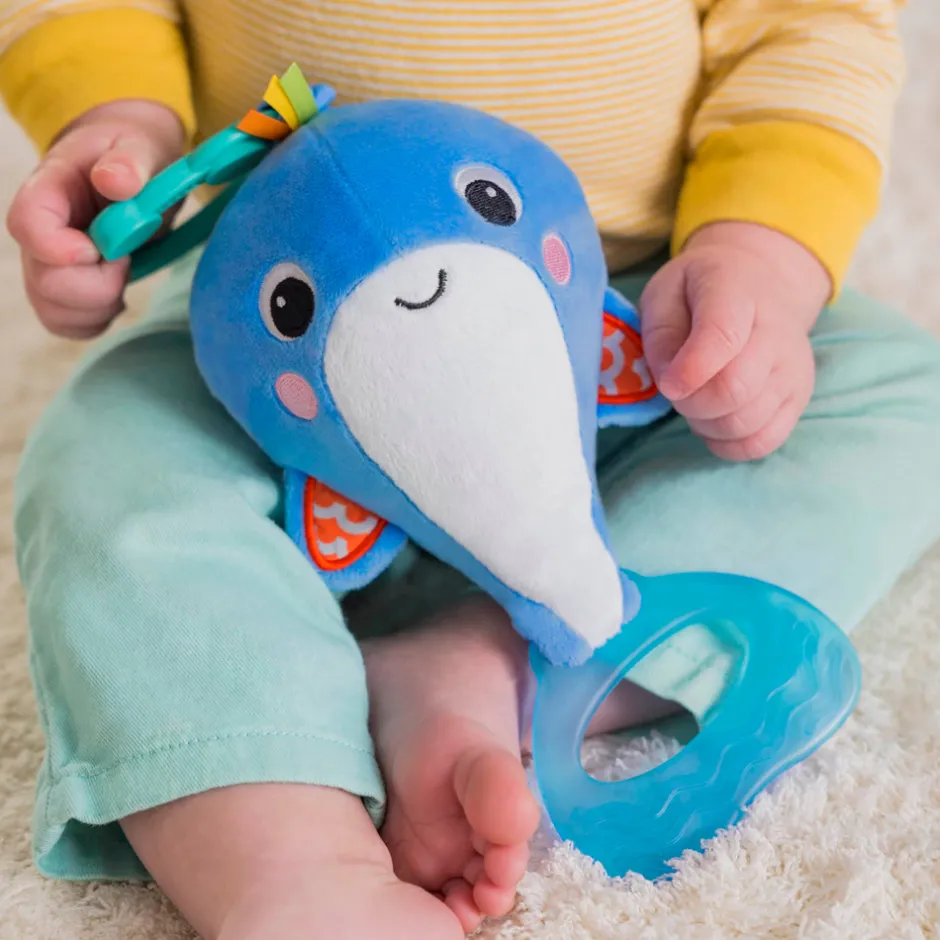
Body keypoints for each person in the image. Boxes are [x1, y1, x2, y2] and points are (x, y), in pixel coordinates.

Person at [3, 2, 940, 937]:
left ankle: (485, 660)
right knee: (107, 460)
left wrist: (760, 250)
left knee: (895, 392)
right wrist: (117, 124)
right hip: (271, 341)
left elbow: (807, 25)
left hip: (630, 314)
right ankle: (284, 856)